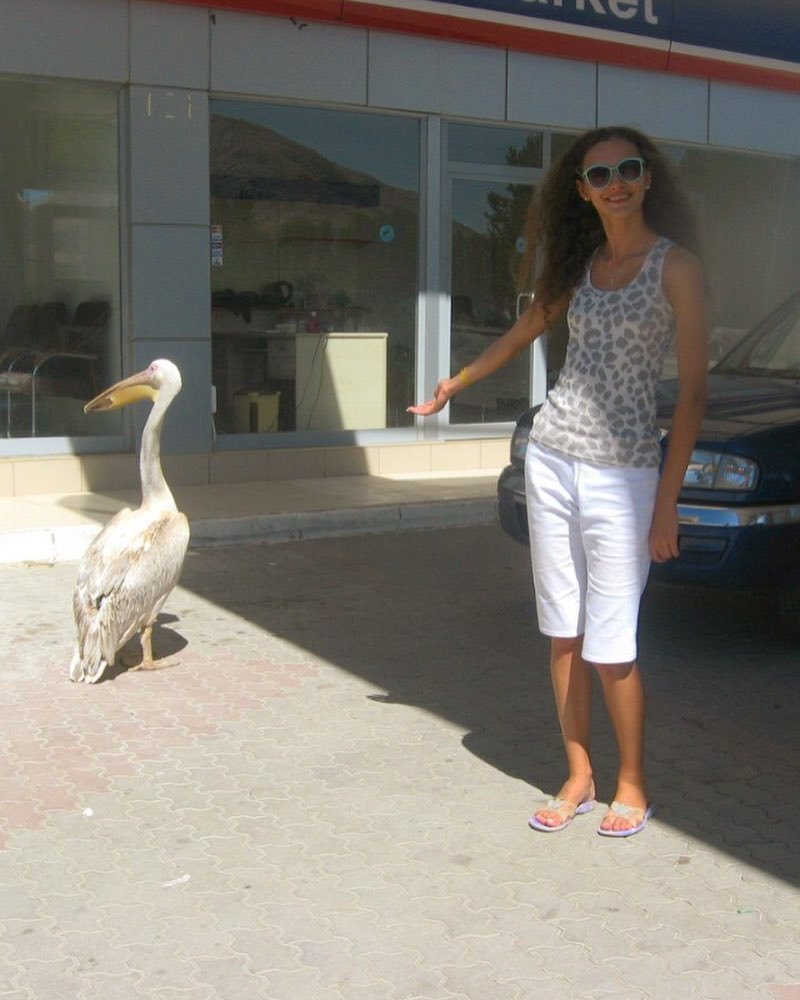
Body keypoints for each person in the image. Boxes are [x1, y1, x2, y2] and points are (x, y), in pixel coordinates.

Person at [409, 126, 708, 837]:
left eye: (628, 169)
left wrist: (666, 503)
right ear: (581, 190)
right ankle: (578, 772)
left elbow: (693, 394)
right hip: (551, 459)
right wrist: (456, 381)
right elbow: (524, 332)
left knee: (613, 646)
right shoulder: (581, 265)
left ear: (647, 178)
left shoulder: (676, 268)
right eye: (600, 174)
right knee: (564, 636)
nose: (616, 183)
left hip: (624, 473)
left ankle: (631, 781)